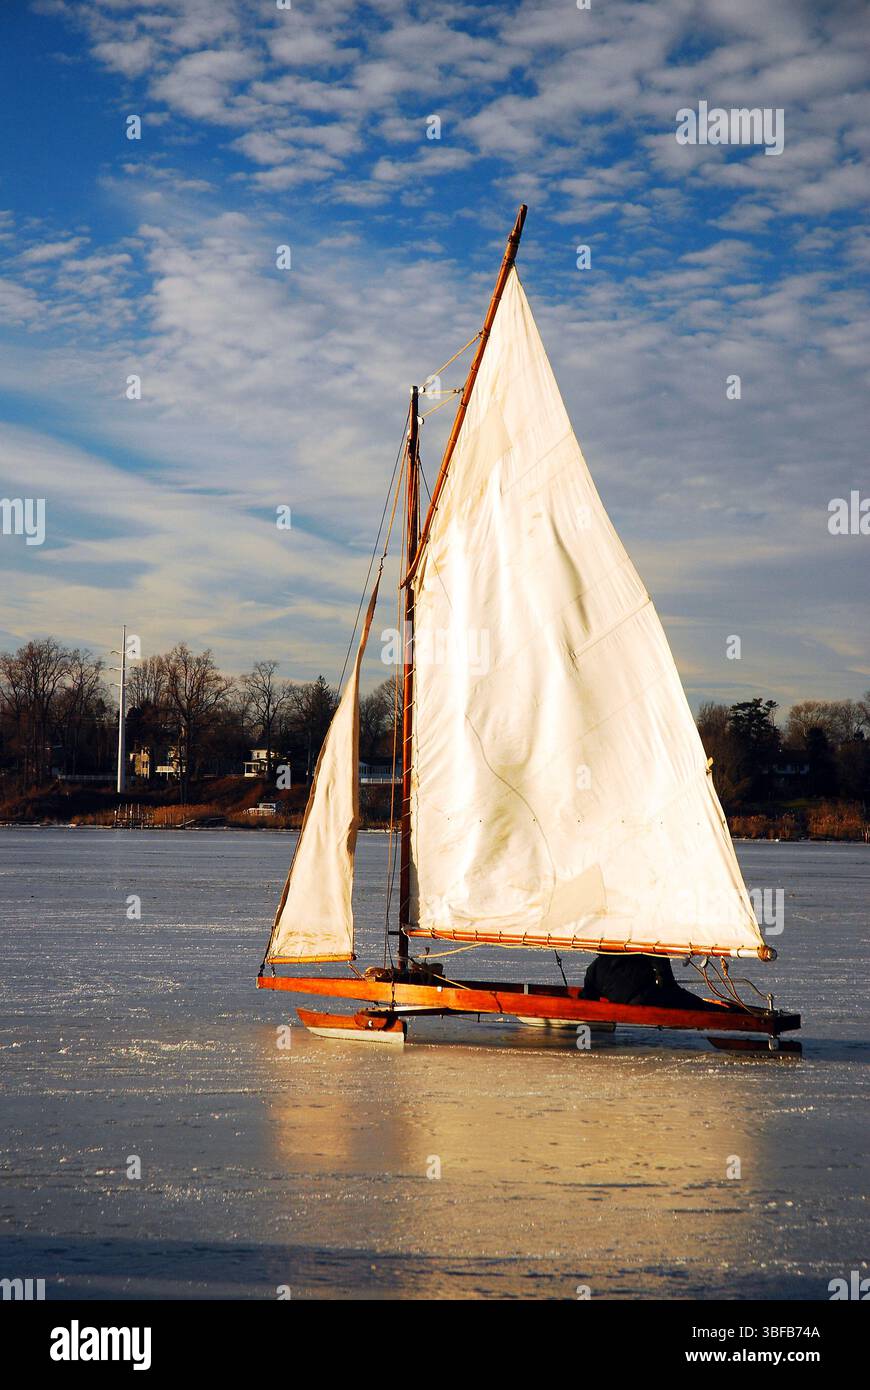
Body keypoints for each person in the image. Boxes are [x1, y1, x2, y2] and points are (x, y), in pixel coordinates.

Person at [581, 952, 726, 1011]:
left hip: (627, 1003)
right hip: (645, 999)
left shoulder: (594, 967)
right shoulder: (649, 951)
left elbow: (588, 995)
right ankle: (724, 1014)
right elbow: (667, 983)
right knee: (693, 1004)